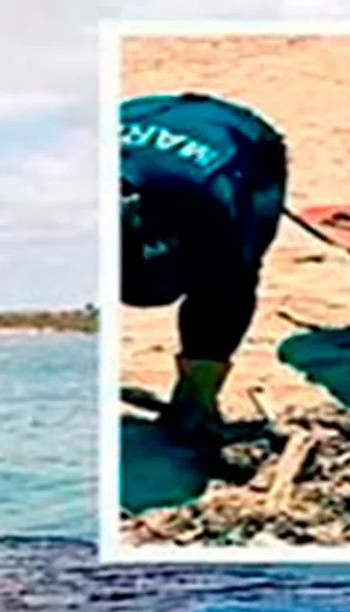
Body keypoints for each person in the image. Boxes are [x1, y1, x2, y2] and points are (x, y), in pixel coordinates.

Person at [120, 93, 288, 444]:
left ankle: (196, 399)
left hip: (241, 143)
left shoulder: (212, 202)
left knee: (226, 278)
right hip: (146, 119)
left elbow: (232, 283)